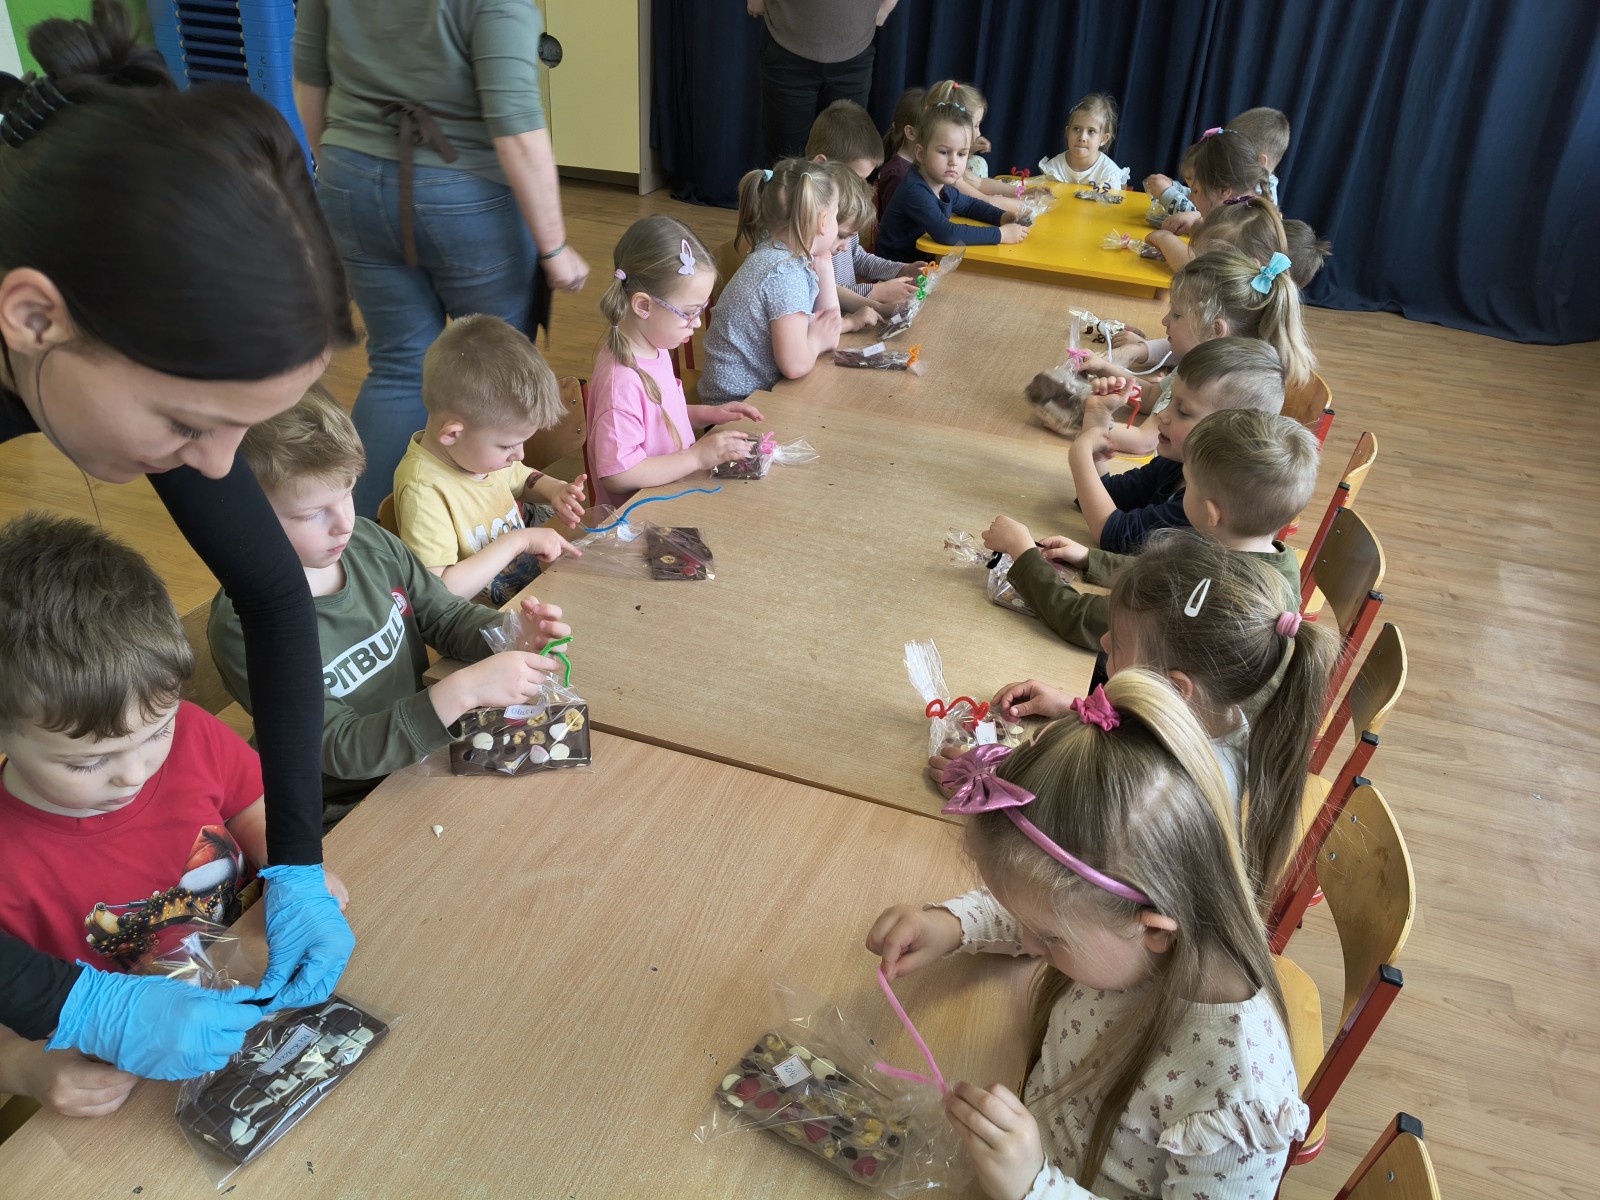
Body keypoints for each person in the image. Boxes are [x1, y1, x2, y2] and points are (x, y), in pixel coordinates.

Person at [0, 1, 354, 1076]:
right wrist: (72, 1007)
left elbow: (275, 595)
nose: (215, 465)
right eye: (189, 423)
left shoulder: (107, 314)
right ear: (33, 318)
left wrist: (295, 860)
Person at [868, 672, 1307, 1199]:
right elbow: (1052, 910)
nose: (1032, 946)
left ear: (1153, 929)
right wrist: (951, 925)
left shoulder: (1237, 1101)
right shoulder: (1138, 933)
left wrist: (1035, 1185)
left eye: (1051, 941)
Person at [0, 515, 353, 1115]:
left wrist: (291, 871)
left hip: (247, 966)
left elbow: (250, 804)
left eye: (156, 732)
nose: (134, 774)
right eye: (88, 763)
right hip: (130, 1066)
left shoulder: (191, 732)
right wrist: (27, 1069)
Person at [209, 389, 572, 828]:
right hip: (343, 808)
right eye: (311, 513)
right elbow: (338, 747)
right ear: (244, 520)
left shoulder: (368, 543)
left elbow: (446, 617)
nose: (344, 523)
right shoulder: (245, 627)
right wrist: (462, 692)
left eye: (347, 493)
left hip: (423, 754)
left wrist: (508, 634)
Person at [293, 0, 592, 520]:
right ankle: (484, 527)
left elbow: (309, 82)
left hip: (351, 174)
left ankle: (367, 538)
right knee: (497, 369)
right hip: (464, 187)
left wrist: (352, 171)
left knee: (398, 368)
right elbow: (515, 128)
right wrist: (555, 247)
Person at [981, 405, 1318, 647]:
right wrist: (1090, 558)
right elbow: (1167, 572)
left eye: (1188, 483)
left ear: (1212, 513)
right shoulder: (1271, 557)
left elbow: (1080, 618)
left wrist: (1022, 552)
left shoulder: (1201, 592)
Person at [391, 315, 585, 603]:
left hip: (531, 593)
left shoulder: (475, 456)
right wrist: (519, 541)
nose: (520, 454)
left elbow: (521, 479)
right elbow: (440, 593)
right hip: (488, 621)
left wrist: (554, 489)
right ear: (452, 434)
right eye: (507, 446)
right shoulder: (423, 490)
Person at [589, 216, 766, 509]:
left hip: (673, 499)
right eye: (689, 312)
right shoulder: (621, 382)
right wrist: (696, 457)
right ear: (644, 306)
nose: (697, 323)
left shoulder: (655, 348)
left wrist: (709, 414)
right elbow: (618, 475)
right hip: (638, 518)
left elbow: (657, 419)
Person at [1071, 337, 1288, 555]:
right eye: (1169, 400)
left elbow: (1114, 535)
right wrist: (1097, 418)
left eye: (1182, 411)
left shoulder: (1204, 503)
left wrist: (1080, 455)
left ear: (1229, 435)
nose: (1163, 415)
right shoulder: (1177, 463)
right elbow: (1108, 496)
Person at [1099, 247, 1317, 455]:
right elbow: (1150, 397)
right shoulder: (1203, 363)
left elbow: (1143, 441)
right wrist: (1102, 367)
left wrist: (1090, 419)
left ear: (1215, 330)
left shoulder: (1209, 381)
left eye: (1177, 315)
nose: (1165, 320)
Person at [700, 159, 843, 404]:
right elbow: (795, 365)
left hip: (740, 396)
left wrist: (824, 264)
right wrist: (817, 341)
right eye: (836, 216)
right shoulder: (786, 274)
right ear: (822, 222)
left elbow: (830, 326)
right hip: (736, 407)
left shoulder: (775, 250)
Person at [874, 102, 1029, 263]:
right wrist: (1001, 234)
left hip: (921, 266)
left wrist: (1001, 216)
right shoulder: (914, 190)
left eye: (961, 154)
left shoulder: (942, 186)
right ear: (920, 153)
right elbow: (947, 233)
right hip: (894, 272)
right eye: (944, 152)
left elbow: (969, 205)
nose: (953, 162)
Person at [747, 0, 900, 163]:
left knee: (844, 159)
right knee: (786, 161)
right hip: (788, 45)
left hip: (854, 53)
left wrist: (887, 6)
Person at [805, 103, 924, 312]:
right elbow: (820, 292)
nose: (862, 188)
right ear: (821, 165)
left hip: (848, 317)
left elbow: (857, 257)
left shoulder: (844, 216)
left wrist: (902, 269)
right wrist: (876, 292)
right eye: (856, 178)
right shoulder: (805, 227)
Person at [1147, 106, 1289, 219]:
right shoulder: (1246, 186)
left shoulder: (1249, 201)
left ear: (1260, 161)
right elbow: (1207, 195)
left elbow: (1205, 212)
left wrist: (1167, 193)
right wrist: (1176, 187)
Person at [1151, 126, 1275, 238]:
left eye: (1195, 191)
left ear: (1224, 190)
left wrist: (1164, 239)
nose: (1191, 197)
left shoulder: (1236, 228)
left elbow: (1193, 256)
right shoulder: (1237, 211)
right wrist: (1196, 221)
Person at [1036, 93, 1131, 188]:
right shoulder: (1054, 168)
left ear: (1103, 139)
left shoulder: (1109, 174)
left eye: (1091, 131)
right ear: (1068, 132)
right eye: (1076, 129)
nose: (1082, 137)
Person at [874, 86, 923, 219]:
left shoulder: (922, 164)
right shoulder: (897, 175)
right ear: (910, 133)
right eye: (930, 130)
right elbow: (894, 221)